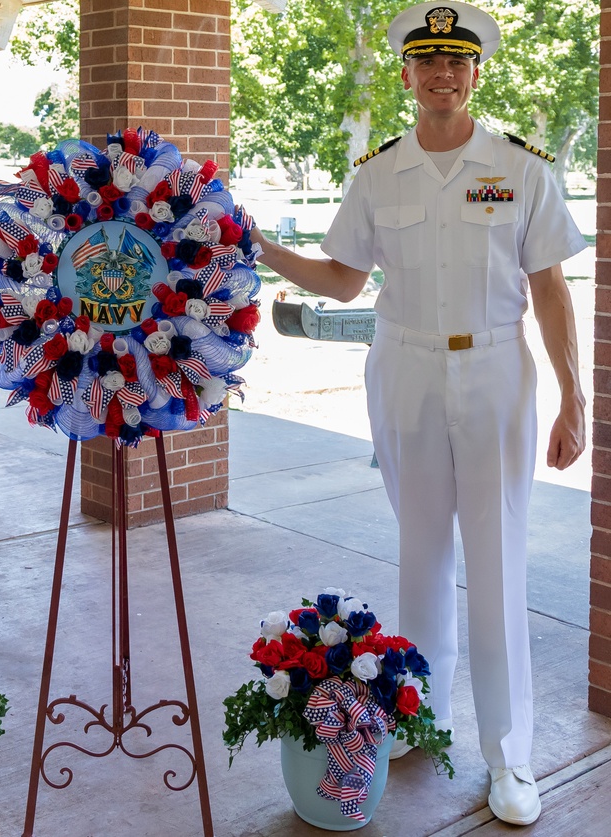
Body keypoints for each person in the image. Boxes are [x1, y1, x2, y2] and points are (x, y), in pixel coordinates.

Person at [250, 2, 586, 827]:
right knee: (421, 550)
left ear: (477, 74)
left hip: (496, 366)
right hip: (402, 366)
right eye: (427, 64)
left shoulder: (521, 167)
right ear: (407, 75)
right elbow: (341, 281)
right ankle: (413, 711)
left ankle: (510, 755)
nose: (443, 76)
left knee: (497, 556)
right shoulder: (380, 171)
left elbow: (548, 288)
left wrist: (577, 394)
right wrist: (255, 243)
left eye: (457, 64)